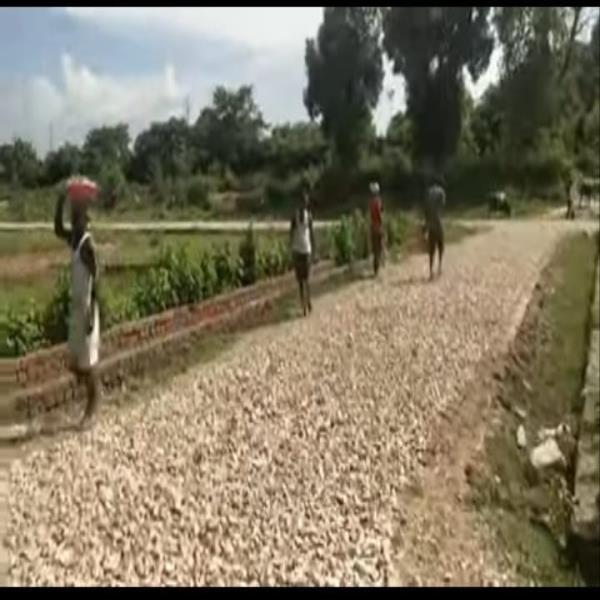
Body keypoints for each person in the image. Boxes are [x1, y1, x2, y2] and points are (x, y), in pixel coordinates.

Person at [54, 178, 100, 430]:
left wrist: (92, 311)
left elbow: (97, 279)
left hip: (86, 308)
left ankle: (92, 408)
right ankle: (93, 395)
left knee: (87, 362)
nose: (73, 219)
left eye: (76, 215)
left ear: (84, 218)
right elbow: (57, 229)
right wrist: (60, 200)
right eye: (72, 214)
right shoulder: (75, 240)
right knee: (75, 363)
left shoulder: (87, 245)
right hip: (77, 306)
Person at [290, 189, 316, 317]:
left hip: (299, 249)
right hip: (305, 249)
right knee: (305, 279)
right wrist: (314, 248)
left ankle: (304, 303)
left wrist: (290, 247)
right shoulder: (308, 216)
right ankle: (307, 302)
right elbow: (311, 233)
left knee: (301, 280)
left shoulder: (295, 216)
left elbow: (291, 233)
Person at [423, 176, 446, 281]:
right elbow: (442, 206)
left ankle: (431, 270)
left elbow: (426, 209)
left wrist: (426, 223)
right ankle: (440, 266)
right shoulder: (441, 192)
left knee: (431, 248)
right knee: (441, 244)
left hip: (430, 223)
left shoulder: (428, 192)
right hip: (438, 222)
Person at [368, 181, 384, 276]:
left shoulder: (370, 202)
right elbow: (379, 214)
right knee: (379, 247)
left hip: (372, 226)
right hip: (378, 226)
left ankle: (376, 268)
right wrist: (382, 223)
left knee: (375, 249)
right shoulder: (377, 201)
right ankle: (377, 268)